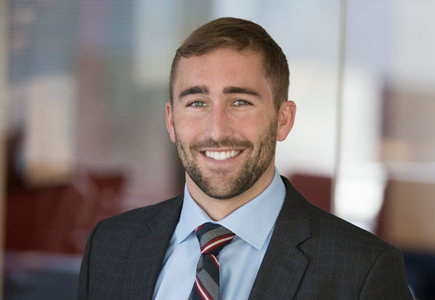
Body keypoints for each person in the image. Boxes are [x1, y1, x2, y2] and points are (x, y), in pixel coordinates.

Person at [77, 17, 413, 300]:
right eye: (196, 102)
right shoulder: (109, 247)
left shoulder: (363, 271)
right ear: (171, 121)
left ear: (283, 119)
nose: (216, 129)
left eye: (240, 102)